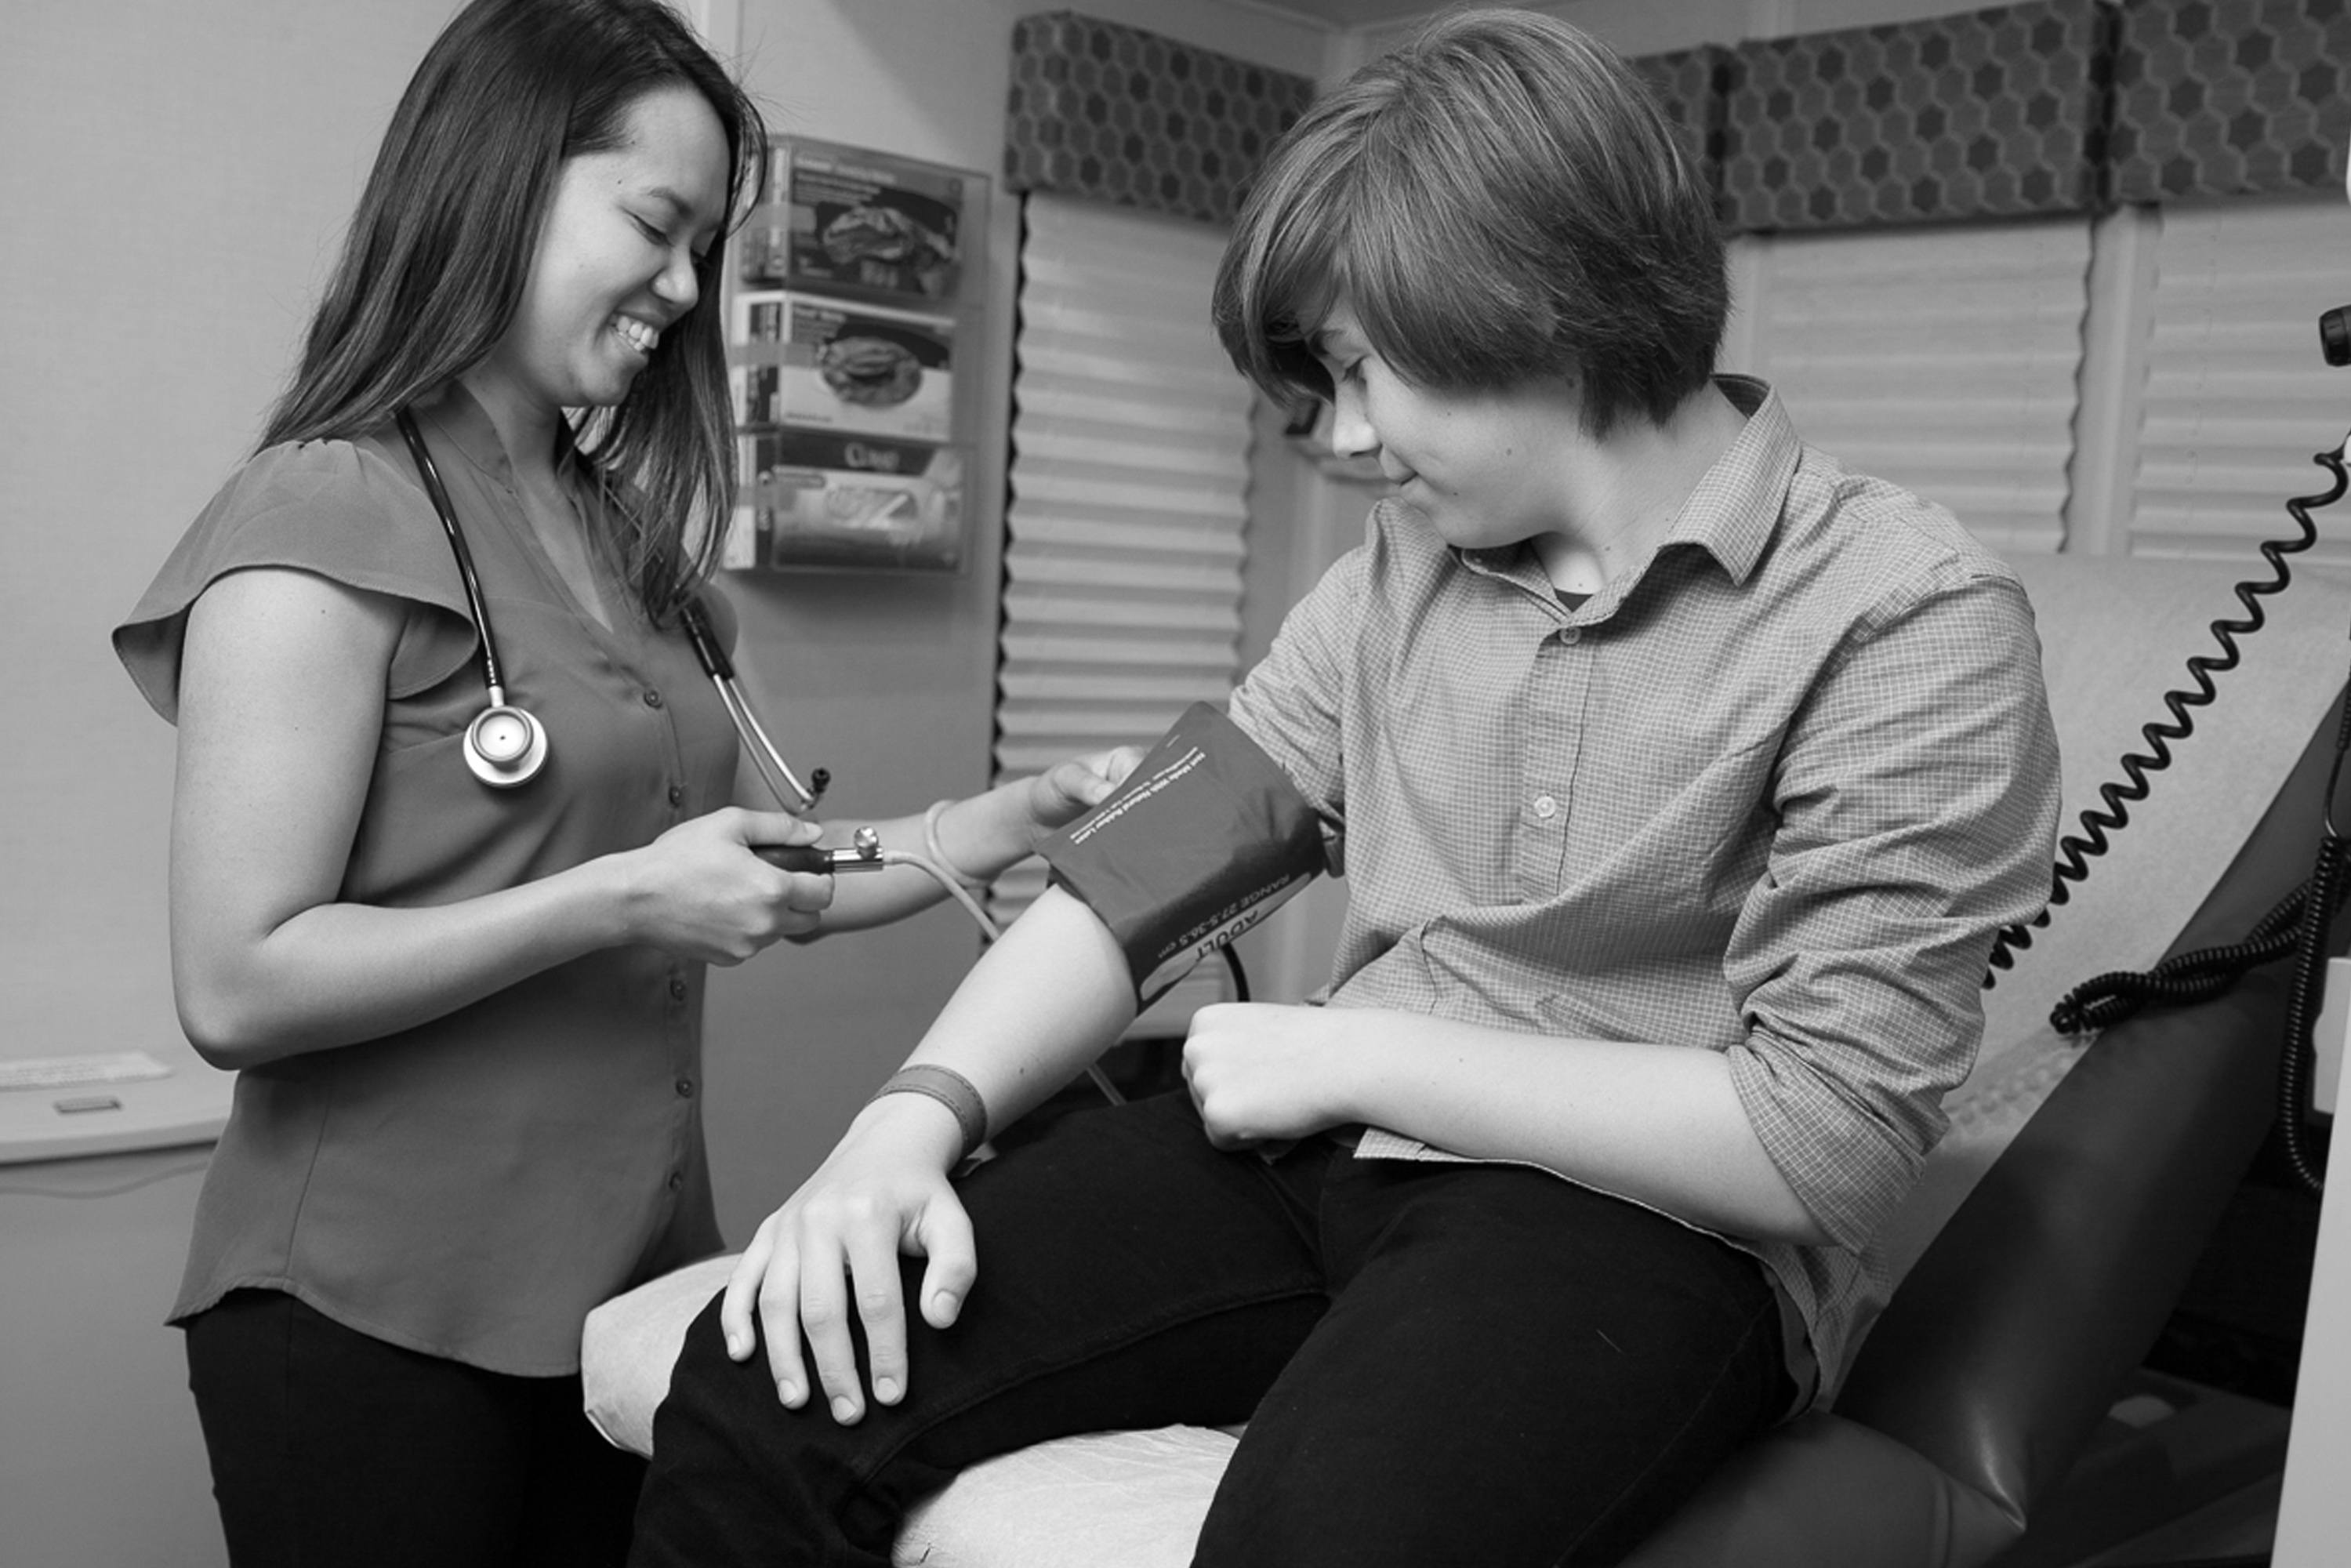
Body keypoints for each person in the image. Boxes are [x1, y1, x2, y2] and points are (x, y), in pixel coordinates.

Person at [625, 10, 2063, 1566]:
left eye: (1367, 371)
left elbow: (1829, 1136)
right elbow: (1139, 877)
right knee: (761, 1376)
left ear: (1537, 299)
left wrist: (1361, 1055)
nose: (1350, 438)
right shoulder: (1402, 571)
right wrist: (904, 1124)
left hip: (1642, 1228)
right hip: (1317, 1159)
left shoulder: (1902, 614)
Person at [110, 3, 1130, 1564]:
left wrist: (958, 837)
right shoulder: (321, 513)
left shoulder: (623, 546)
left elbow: (717, 872)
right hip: (375, 1313)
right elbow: (239, 982)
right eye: (655, 224)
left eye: (703, 247)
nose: (680, 286)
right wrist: (617, 897)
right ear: (497, 179)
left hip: (633, 1302)